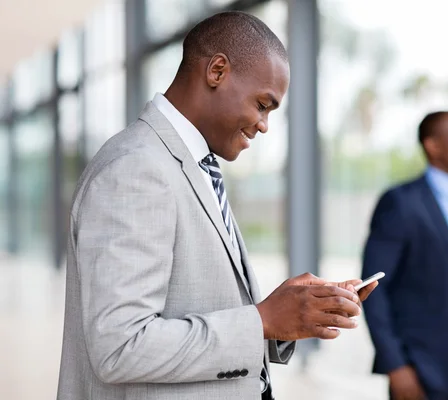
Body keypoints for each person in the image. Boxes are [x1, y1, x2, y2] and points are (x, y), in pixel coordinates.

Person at [57, 11, 377, 400]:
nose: (263, 125)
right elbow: (120, 346)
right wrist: (261, 320)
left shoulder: (192, 164)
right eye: (263, 104)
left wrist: (285, 317)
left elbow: (197, 304)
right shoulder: (136, 168)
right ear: (217, 71)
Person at [361, 111, 448, 400]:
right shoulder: (400, 203)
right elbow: (374, 288)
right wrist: (396, 367)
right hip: (420, 368)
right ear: (433, 145)